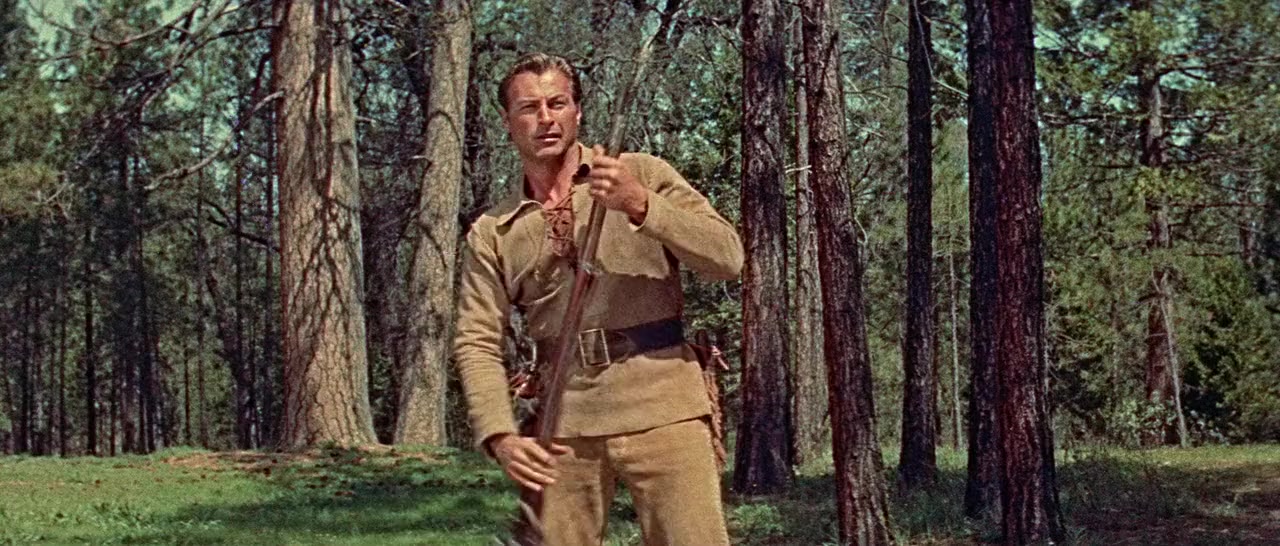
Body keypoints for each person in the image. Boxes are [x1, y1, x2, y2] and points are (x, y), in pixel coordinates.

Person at [453, 52, 742, 546]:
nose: (546, 119)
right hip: (563, 424)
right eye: (529, 108)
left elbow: (728, 257)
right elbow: (476, 340)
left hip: (664, 406)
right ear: (507, 121)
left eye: (557, 103)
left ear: (578, 111)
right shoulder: (493, 230)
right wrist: (499, 434)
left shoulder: (639, 173)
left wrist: (641, 205)